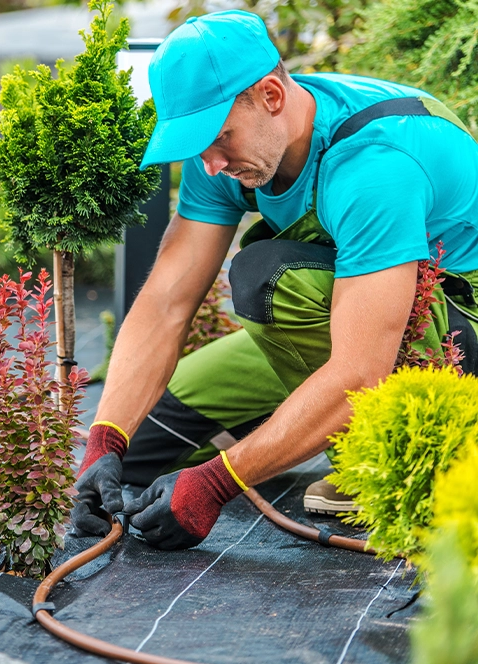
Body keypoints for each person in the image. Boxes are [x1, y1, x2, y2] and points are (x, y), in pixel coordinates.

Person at [71, 10, 478, 549]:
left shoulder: (373, 163)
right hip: (353, 317)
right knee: (141, 446)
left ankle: (378, 466)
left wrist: (218, 483)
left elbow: (360, 369)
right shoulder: (232, 151)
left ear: (270, 95)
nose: (210, 163)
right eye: (197, 144)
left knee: (268, 278)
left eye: (219, 138)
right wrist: (105, 442)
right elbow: (167, 302)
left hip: (452, 336)